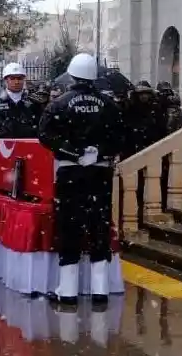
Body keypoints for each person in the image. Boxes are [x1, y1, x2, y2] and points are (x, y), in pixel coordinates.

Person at [38, 53, 125, 306]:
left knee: (70, 226)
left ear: (72, 74)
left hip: (70, 172)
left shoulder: (60, 103)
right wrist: (98, 152)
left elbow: (44, 134)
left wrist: (72, 152)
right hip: (100, 171)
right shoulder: (109, 105)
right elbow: (121, 137)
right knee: (99, 226)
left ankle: (67, 290)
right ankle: (100, 289)